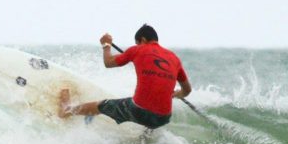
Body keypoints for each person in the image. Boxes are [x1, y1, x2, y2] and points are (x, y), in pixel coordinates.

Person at [58, 24, 191, 129]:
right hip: (163, 118)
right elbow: (187, 90)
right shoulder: (174, 58)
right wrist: (176, 94)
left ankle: (66, 110)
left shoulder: (138, 49)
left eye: (137, 43)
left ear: (142, 40)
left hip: (139, 111)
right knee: (153, 114)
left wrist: (106, 45)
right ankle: (145, 139)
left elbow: (108, 62)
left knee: (101, 105)